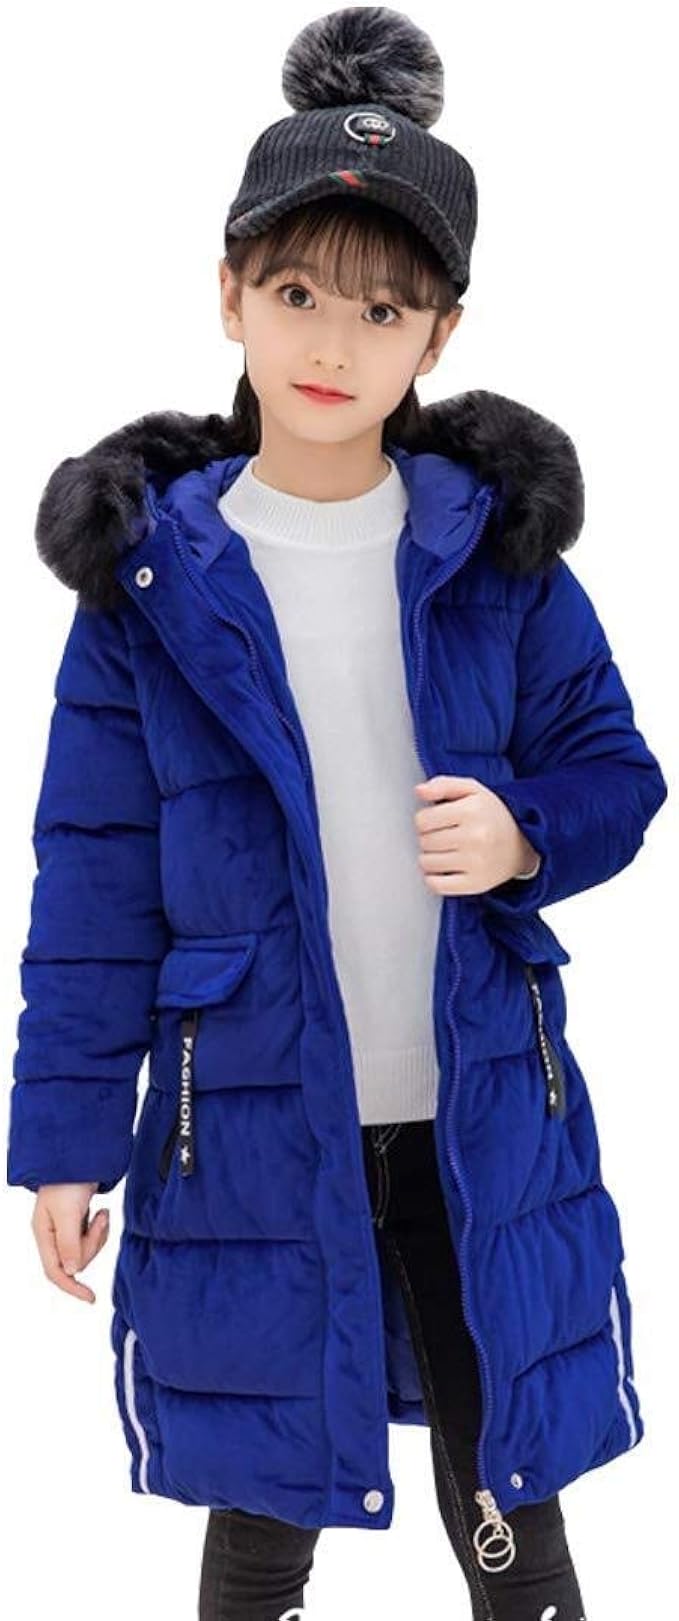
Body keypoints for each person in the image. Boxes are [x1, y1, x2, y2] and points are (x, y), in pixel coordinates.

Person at [6, 7, 667, 1621]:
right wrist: (63, 1143)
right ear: (229, 290)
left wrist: (524, 832)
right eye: (296, 291)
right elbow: (92, 886)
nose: (332, 341)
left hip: (474, 1107)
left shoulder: (496, 557)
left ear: (439, 335)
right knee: (263, 1493)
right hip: (241, 1115)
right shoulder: (153, 586)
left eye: (383, 308)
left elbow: (617, 770)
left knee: (505, 1476)